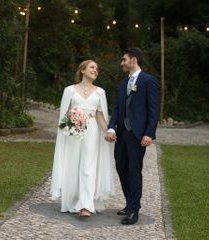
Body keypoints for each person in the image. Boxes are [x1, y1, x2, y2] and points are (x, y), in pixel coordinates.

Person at [50, 60, 114, 217]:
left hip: (92, 130)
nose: (95, 70)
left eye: (97, 69)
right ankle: (71, 201)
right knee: (72, 164)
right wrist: (71, 125)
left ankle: (85, 205)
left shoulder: (100, 92)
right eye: (92, 67)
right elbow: (64, 114)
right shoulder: (69, 90)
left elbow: (100, 115)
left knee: (88, 166)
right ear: (82, 70)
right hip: (74, 129)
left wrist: (109, 130)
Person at [105, 47, 160, 225]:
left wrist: (149, 134)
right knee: (121, 167)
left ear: (134, 60)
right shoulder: (123, 84)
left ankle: (134, 210)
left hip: (137, 135)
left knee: (134, 171)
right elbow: (117, 108)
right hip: (121, 134)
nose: (122, 63)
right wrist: (111, 127)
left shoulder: (148, 81)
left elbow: (153, 110)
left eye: (124, 60)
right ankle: (130, 203)